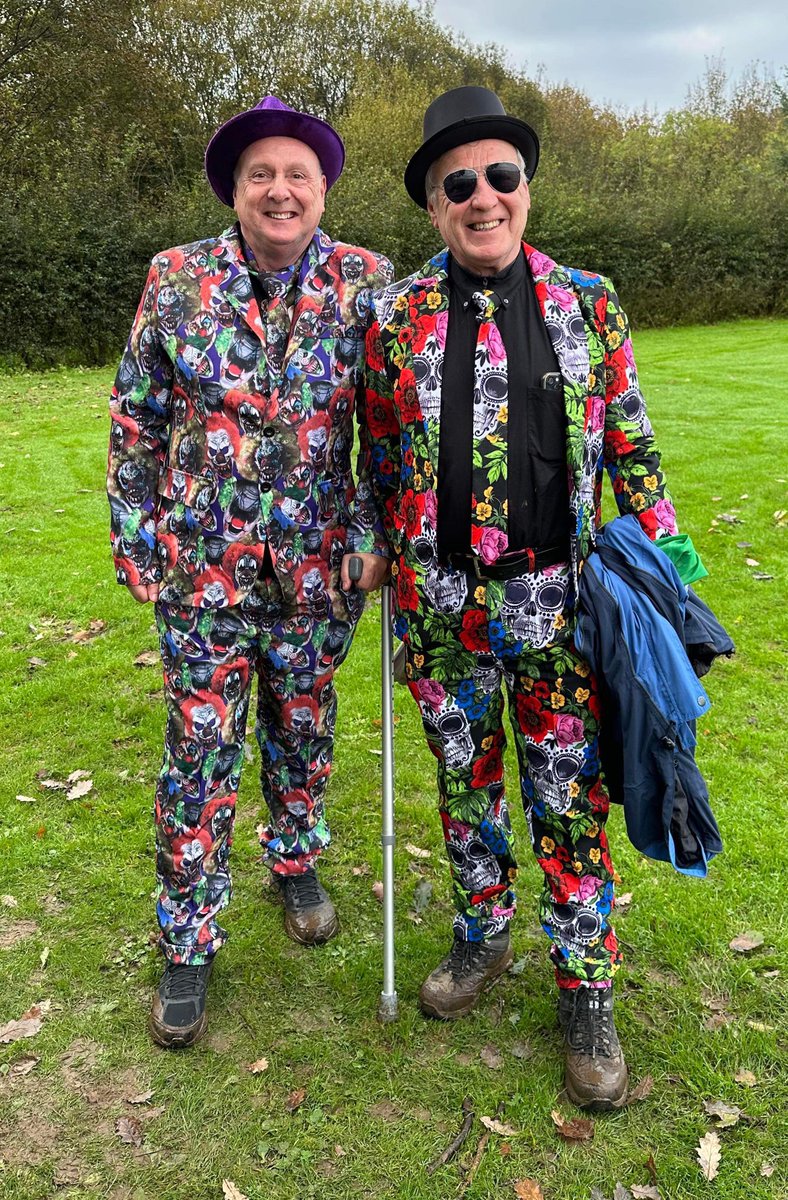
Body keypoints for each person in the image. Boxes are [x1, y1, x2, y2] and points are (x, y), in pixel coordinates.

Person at [358, 86, 679, 1109]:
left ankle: (584, 987)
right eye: (460, 183)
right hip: (439, 610)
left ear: (525, 190)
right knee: (465, 791)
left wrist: (666, 568)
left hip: (560, 609)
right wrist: (374, 545)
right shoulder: (393, 317)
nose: (482, 197)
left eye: (501, 176)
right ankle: (482, 935)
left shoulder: (589, 299)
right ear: (433, 204)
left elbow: (628, 439)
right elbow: (369, 457)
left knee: (565, 801)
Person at [107, 95, 392, 1048]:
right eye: (260, 175)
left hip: (319, 573)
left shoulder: (367, 284)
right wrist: (134, 532)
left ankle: (296, 861)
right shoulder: (176, 280)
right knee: (198, 754)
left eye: (297, 175)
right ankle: (187, 942)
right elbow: (136, 416)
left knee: (304, 732)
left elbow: (384, 434)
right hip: (203, 576)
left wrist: (368, 528)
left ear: (323, 190)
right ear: (235, 190)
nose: (280, 190)